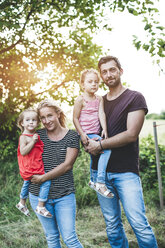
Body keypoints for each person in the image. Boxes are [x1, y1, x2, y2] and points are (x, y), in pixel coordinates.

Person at [86, 56, 158, 248]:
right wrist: (87, 141)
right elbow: (87, 124)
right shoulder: (98, 101)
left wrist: (100, 146)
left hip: (125, 172)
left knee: (139, 224)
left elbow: (131, 135)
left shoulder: (134, 97)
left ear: (120, 71)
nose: (108, 74)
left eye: (112, 70)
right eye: (104, 71)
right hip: (99, 172)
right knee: (112, 226)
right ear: (101, 76)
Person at [30, 99, 83, 248]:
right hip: (38, 196)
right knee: (52, 237)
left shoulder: (72, 136)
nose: (46, 121)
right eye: (43, 118)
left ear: (58, 114)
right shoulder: (37, 136)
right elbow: (25, 153)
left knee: (70, 238)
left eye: (50, 116)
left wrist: (43, 178)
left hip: (64, 195)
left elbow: (67, 165)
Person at [73, 69, 113, 198]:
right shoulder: (80, 100)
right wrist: (82, 134)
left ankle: (92, 180)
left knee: (95, 156)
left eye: (96, 82)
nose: (94, 84)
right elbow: (74, 118)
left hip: (95, 132)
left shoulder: (99, 99)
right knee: (106, 150)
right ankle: (100, 182)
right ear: (82, 84)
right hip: (86, 133)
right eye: (90, 82)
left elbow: (101, 114)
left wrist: (105, 129)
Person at [16, 109, 52, 218]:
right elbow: (23, 151)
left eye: (34, 120)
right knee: (46, 181)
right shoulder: (24, 137)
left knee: (27, 183)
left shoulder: (35, 134)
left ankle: (22, 203)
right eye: (27, 120)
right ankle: (40, 206)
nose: (31, 122)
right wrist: (33, 141)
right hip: (30, 166)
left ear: (38, 123)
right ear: (22, 123)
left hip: (34, 164)